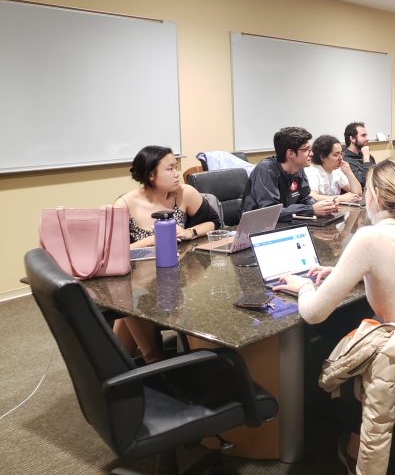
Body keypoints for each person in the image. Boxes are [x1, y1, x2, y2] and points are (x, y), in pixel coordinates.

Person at [274, 158, 395, 474]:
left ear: (374, 196)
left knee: (337, 355)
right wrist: (344, 272)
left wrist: (303, 286)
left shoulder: (369, 238)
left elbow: (314, 314)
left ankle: (352, 447)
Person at [113, 145, 222, 363]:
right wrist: (152, 240)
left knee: (118, 349)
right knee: (129, 303)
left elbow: (214, 223)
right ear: (151, 175)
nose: (176, 174)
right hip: (139, 281)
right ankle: (153, 358)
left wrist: (190, 232)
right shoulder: (125, 204)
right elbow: (114, 252)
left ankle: (147, 359)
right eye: (170, 169)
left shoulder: (184, 194)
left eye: (176, 167)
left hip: (176, 277)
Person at [241, 127, 338, 222]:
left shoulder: (298, 167)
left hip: (287, 222)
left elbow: (304, 199)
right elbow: (271, 212)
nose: (311, 153)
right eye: (306, 150)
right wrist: (311, 210)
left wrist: (325, 205)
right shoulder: (266, 170)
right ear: (290, 154)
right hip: (258, 226)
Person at [305, 134, 363, 203]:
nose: (341, 158)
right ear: (323, 157)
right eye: (336, 155)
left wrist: (349, 172)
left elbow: (358, 193)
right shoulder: (312, 170)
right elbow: (312, 196)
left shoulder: (337, 170)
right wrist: (340, 198)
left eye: (341, 153)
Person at [342, 121, 376, 188]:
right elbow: (364, 183)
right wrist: (366, 158)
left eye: (366, 135)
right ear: (352, 139)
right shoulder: (345, 160)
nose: (367, 139)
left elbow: (376, 176)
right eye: (363, 135)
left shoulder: (366, 154)